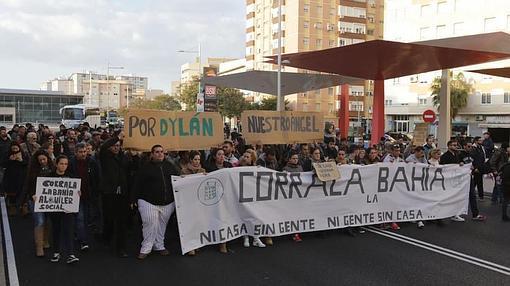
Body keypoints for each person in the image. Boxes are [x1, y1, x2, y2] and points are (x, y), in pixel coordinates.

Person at [134, 145, 179, 260]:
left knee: (161, 225)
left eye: (162, 152)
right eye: (157, 152)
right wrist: (133, 199)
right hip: (148, 202)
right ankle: (146, 248)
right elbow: (137, 184)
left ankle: (159, 245)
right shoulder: (145, 168)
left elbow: (178, 179)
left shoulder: (170, 166)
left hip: (167, 202)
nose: (160, 154)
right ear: (152, 154)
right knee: (149, 224)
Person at [98, 134, 131, 257]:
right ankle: (106, 238)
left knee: (121, 222)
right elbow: (104, 146)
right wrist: (117, 137)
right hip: (109, 193)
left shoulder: (124, 157)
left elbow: (131, 167)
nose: (116, 148)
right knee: (109, 219)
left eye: (118, 146)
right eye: (114, 146)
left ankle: (121, 248)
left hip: (122, 193)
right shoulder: (105, 156)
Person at [48, 155, 79, 264]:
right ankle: (56, 252)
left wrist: (78, 193)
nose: (64, 166)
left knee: (69, 230)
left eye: (66, 164)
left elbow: (75, 191)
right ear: (56, 164)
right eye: (61, 163)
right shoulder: (49, 177)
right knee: (56, 230)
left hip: (68, 210)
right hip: (54, 210)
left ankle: (70, 254)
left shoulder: (71, 177)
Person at [69, 143, 100, 251]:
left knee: (85, 218)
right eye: (81, 152)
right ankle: (84, 241)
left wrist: (95, 192)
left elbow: (97, 178)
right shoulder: (71, 163)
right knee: (80, 218)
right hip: (75, 195)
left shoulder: (92, 162)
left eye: (85, 152)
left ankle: (79, 234)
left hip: (88, 194)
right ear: (75, 152)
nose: (83, 154)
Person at [24, 150, 54, 257]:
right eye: (40, 160)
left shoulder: (53, 168)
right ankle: (39, 246)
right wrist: (31, 194)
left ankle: (45, 240)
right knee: (40, 221)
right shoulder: (32, 170)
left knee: (48, 221)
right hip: (35, 199)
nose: (42, 161)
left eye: (44, 159)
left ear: (47, 158)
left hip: (50, 199)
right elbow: (28, 184)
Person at [204, 148, 232, 253]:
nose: (222, 156)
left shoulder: (229, 166)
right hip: (214, 197)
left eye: (223, 154)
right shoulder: (209, 167)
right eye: (219, 154)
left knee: (225, 218)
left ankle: (223, 243)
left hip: (227, 197)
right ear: (215, 156)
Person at [3, 142, 29, 215]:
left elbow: (27, 163)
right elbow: (3, 164)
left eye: (16, 148)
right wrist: (10, 160)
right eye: (13, 148)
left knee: (23, 192)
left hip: (22, 176)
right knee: (12, 193)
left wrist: (21, 160)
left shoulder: (24, 154)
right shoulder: (7, 154)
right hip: (11, 177)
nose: (15, 150)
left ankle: (24, 208)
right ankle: (12, 207)